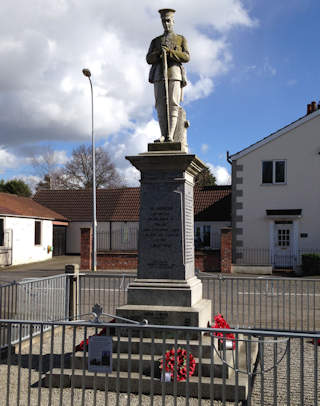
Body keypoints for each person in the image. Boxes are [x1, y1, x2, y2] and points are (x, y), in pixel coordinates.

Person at [146, 9, 190, 142]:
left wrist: (170, 52)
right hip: (159, 75)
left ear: (173, 21)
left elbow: (186, 56)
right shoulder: (155, 41)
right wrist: (159, 53)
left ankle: (170, 135)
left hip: (174, 73)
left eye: (168, 20)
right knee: (160, 105)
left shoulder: (180, 39)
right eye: (163, 21)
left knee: (173, 104)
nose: (166, 24)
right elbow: (148, 59)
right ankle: (163, 134)